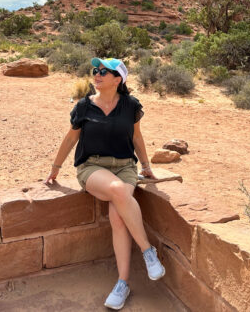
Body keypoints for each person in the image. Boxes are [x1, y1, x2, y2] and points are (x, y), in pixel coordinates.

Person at [45, 57, 165, 310]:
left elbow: (137, 136)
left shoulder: (130, 105)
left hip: (125, 166)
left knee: (118, 217)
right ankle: (148, 251)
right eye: (95, 71)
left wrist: (145, 166)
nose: (96, 75)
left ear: (118, 79)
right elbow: (70, 139)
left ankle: (122, 283)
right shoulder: (84, 106)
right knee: (118, 190)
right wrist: (55, 169)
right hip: (92, 167)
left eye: (103, 72)